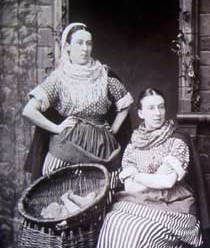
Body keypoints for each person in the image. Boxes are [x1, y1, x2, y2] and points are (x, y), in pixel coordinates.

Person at [73, 87, 203, 248]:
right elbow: (131, 186)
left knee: (141, 230)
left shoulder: (176, 141)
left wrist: (139, 176)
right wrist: (146, 179)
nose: (157, 113)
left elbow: (167, 182)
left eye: (161, 107)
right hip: (138, 200)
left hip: (173, 205)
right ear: (141, 113)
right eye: (151, 108)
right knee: (114, 220)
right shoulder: (133, 144)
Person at [23, 22, 134, 190]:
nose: (85, 48)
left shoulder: (103, 74)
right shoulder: (58, 79)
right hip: (67, 146)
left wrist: (114, 129)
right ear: (67, 47)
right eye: (79, 43)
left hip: (101, 146)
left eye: (88, 43)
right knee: (61, 195)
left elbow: (125, 103)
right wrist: (57, 128)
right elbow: (29, 110)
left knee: (101, 194)